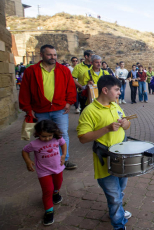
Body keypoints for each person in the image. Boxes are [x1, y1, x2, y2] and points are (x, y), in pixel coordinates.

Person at [77, 74, 132, 230]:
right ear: (105, 90)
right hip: (105, 161)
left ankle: (117, 211)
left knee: (120, 191)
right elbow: (82, 138)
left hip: (122, 158)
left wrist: (125, 123)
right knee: (114, 196)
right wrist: (106, 129)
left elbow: (126, 124)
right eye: (116, 90)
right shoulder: (89, 111)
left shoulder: (115, 105)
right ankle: (119, 225)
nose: (119, 93)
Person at [19, 44, 77, 170]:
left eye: (54, 55)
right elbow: (24, 91)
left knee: (62, 135)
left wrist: (69, 102)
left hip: (60, 109)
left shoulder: (64, 70)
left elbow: (71, 88)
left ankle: (64, 159)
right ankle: (47, 159)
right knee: (43, 135)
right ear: (41, 55)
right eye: (49, 54)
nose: (53, 57)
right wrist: (28, 109)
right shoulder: (31, 71)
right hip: (40, 110)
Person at [22, 120, 67, 226]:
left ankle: (56, 193)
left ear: (54, 133)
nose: (47, 138)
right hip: (43, 171)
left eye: (49, 136)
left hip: (57, 168)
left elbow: (63, 144)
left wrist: (64, 155)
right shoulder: (34, 144)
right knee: (47, 191)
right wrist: (28, 161)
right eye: (43, 136)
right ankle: (49, 211)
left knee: (58, 184)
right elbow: (24, 151)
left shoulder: (57, 138)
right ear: (37, 133)